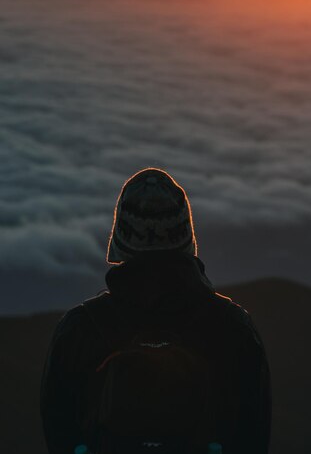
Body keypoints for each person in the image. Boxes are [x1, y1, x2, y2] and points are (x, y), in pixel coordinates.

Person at [40, 168, 271, 454]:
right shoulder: (234, 329)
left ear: (121, 243)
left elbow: (59, 433)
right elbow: (253, 436)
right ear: (186, 239)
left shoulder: (78, 330)